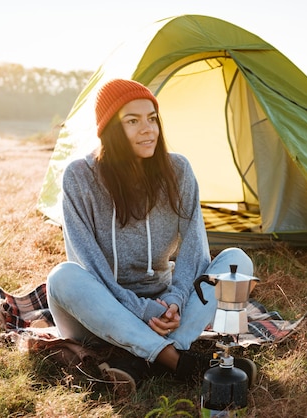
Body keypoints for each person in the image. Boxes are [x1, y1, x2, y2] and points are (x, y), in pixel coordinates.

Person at [46, 78, 256, 395]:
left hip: (164, 307)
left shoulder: (178, 170)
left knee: (237, 261)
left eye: (152, 118)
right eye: (132, 121)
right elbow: (86, 263)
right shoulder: (79, 177)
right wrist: (141, 310)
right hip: (99, 313)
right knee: (62, 276)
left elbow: (196, 252)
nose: (148, 129)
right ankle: (179, 360)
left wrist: (173, 300)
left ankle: (144, 357)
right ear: (110, 130)